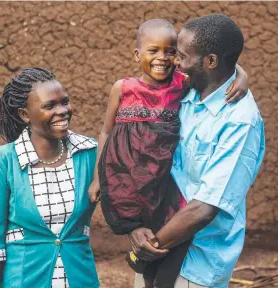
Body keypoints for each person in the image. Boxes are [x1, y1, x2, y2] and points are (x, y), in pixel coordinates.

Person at [88, 19, 248, 288]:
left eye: (171, 51)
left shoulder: (181, 84)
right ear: (137, 54)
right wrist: (97, 177)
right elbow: (106, 131)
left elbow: (221, 65)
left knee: (171, 242)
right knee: (139, 235)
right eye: (153, 50)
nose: (162, 57)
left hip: (162, 182)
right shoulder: (123, 88)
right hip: (129, 180)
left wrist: (242, 76)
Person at [132, 14, 265, 288]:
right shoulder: (186, 92)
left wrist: (145, 249)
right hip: (156, 241)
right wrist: (137, 229)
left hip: (196, 262)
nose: (174, 63)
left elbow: (205, 208)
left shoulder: (239, 121)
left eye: (182, 56)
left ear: (211, 62)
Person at [0, 68, 100, 288]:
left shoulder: (89, 154)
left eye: (64, 102)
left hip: (81, 279)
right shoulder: (5, 162)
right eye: (49, 106)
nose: (62, 111)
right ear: (25, 114)